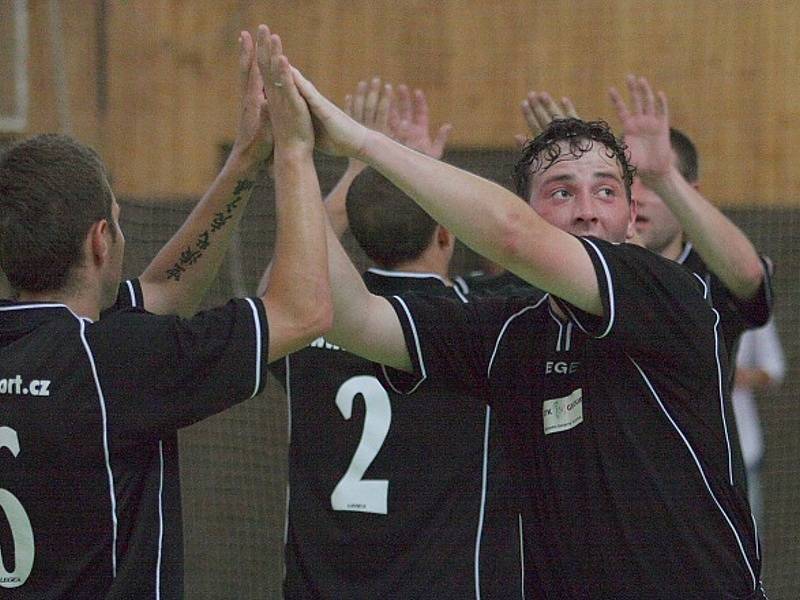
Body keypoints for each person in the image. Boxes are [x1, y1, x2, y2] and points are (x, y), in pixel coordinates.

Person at [277, 47, 767, 597]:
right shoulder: (508, 332)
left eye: (606, 190)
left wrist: (368, 141)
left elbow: (511, 235)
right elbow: (350, 316)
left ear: (632, 218)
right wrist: (295, 158)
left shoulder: (670, 294)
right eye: (562, 191)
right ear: (533, 210)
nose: (586, 209)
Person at [0, 25, 331, 598]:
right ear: (101, 241)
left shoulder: (80, 344)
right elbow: (305, 311)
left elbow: (164, 294)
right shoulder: (119, 361)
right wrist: (295, 154)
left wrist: (246, 160)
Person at [264, 80, 520, 599]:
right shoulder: (482, 329)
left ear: (355, 237)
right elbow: (533, 264)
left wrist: (360, 174)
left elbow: (276, 287)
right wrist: (419, 175)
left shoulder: (311, 324)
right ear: (447, 234)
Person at [733, 318, 786, 527]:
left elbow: (774, 369)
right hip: (697, 449)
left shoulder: (751, 303)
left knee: (748, 531)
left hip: (744, 449)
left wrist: (737, 376)